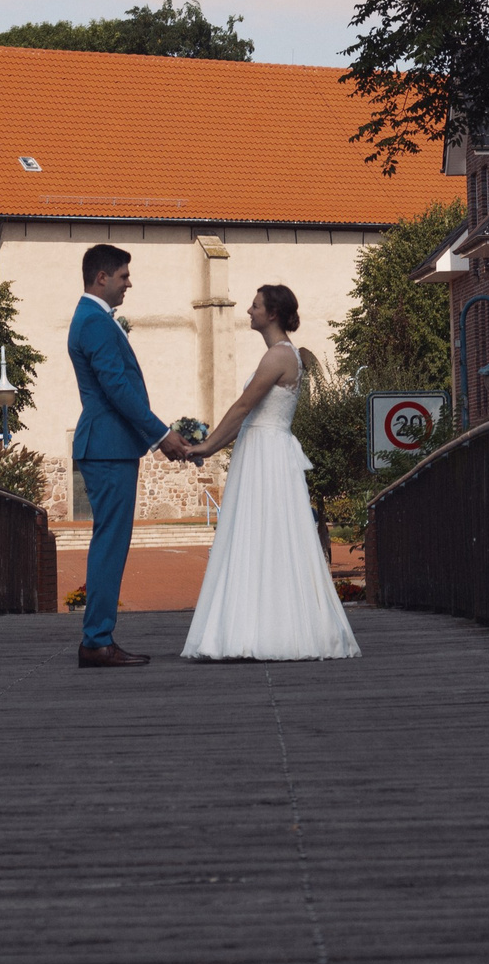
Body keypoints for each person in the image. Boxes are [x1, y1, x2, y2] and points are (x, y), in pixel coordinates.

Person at [172, 283, 360, 662]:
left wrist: (207, 446)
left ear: (272, 313)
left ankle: (265, 629)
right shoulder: (281, 355)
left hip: (267, 454)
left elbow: (243, 407)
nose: (248, 311)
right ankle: (259, 625)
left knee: (266, 534)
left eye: (255, 306)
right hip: (262, 450)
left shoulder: (278, 356)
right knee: (261, 535)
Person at [66, 243, 186, 668]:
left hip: (109, 445)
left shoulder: (93, 318)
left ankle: (98, 637)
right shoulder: (95, 321)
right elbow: (117, 388)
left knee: (110, 541)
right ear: (102, 277)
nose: (128, 283)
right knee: (111, 543)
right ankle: (96, 639)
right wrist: (161, 435)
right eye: (123, 276)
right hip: (108, 445)